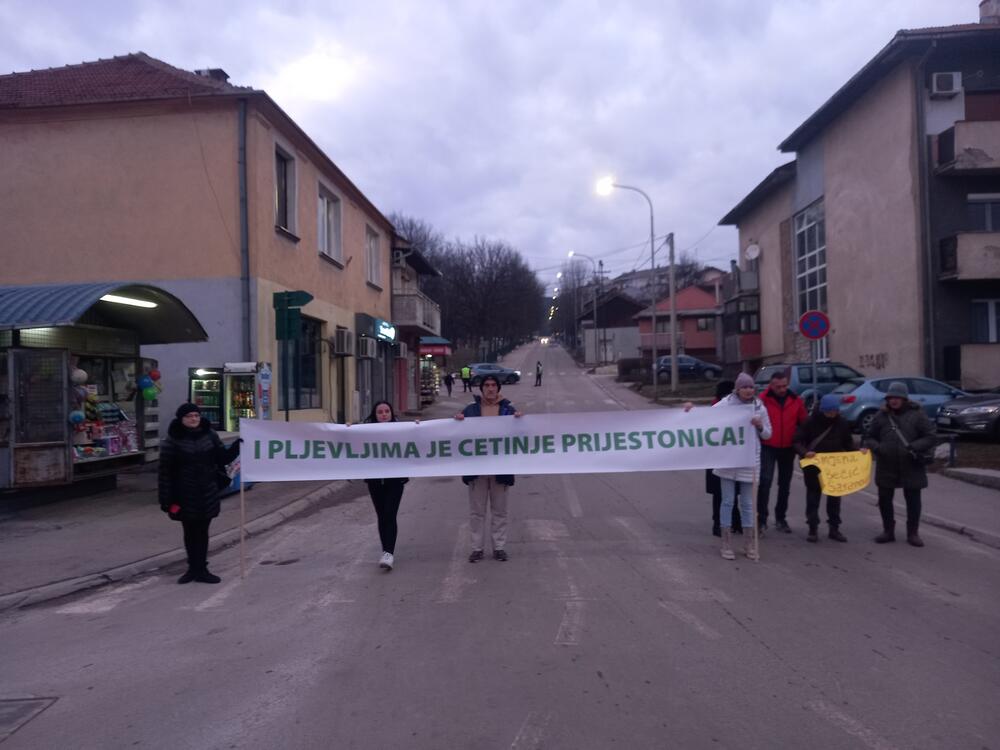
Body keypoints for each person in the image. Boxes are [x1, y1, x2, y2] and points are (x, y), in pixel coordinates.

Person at [158, 403, 241, 584]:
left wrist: (237, 446)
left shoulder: (209, 435)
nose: (193, 419)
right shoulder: (173, 439)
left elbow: (222, 458)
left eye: (196, 415)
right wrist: (166, 499)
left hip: (207, 492)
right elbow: (165, 472)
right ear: (181, 419)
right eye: (189, 416)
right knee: (189, 532)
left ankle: (202, 569)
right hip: (183, 495)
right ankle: (192, 569)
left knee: (202, 532)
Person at [454, 374, 523, 562]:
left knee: (499, 511)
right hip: (477, 469)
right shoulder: (471, 411)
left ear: (498, 388)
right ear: (481, 388)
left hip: (500, 469)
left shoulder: (508, 410)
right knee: (477, 512)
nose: (490, 388)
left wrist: (519, 420)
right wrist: (457, 421)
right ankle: (477, 548)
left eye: (494, 385)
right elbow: (456, 434)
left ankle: (499, 547)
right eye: (487, 385)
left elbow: (520, 434)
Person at [864, 381, 936, 547]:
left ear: (904, 399)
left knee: (913, 500)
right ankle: (888, 531)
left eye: (897, 397)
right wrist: (879, 448)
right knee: (884, 499)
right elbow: (869, 436)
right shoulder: (880, 416)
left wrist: (914, 447)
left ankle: (913, 533)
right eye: (891, 398)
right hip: (886, 464)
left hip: (911, 463)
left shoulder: (917, 415)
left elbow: (931, 436)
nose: (894, 401)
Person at [712, 372, 772, 561]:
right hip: (728, 460)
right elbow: (705, 419)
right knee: (727, 501)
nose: (748, 390)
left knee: (747, 504)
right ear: (737, 389)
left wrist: (760, 426)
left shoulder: (759, 407)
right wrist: (689, 410)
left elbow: (768, 434)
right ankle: (726, 542)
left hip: (749, 460)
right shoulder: (725, 405)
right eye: (744, 387)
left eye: (751, 387)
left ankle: (749, 543)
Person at [793, 394, 863, 543]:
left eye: (835, 411)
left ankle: (834, 528)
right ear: (823, 410)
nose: (832, 414)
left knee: (835, 498)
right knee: (813, 497)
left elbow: (847, 443)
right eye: (829, 412)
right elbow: (797, 441)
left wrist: (858, 452)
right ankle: (813, 528)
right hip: (814, 466)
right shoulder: (810, 422)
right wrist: (805, 453)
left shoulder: (841, 423)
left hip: (835, 468)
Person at [361, 400, 411, 571]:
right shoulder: (364, 431)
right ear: (375, 415)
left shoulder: (401, 430)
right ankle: (385, 550)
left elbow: (417, 439)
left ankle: (388, 552)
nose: (383, 414)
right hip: (375, 481)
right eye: (380, 412)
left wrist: (418, 428)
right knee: (382, 515)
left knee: (390, 514)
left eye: (387, 411)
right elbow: (349, 442)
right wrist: (347, 429)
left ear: (391, 414)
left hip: (395, 481)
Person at [757, 369, 808, 534]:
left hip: (788, 447)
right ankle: (761, 519)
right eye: (778, 386)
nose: (782, 389)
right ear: (771, 386)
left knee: (784, 485)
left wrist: (801, 442)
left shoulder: (796, 401)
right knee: (765, 482)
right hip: (768, 446)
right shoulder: (761, 401)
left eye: (784, 386)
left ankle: (781, 518)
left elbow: (804, 423)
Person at [703, 380, 743, 537]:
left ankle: (735, 520)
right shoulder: (714, 410)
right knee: (720, 493)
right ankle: (719, 523)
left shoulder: (740, 409)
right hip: (717, 459)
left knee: (732, 491)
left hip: (733, 457)